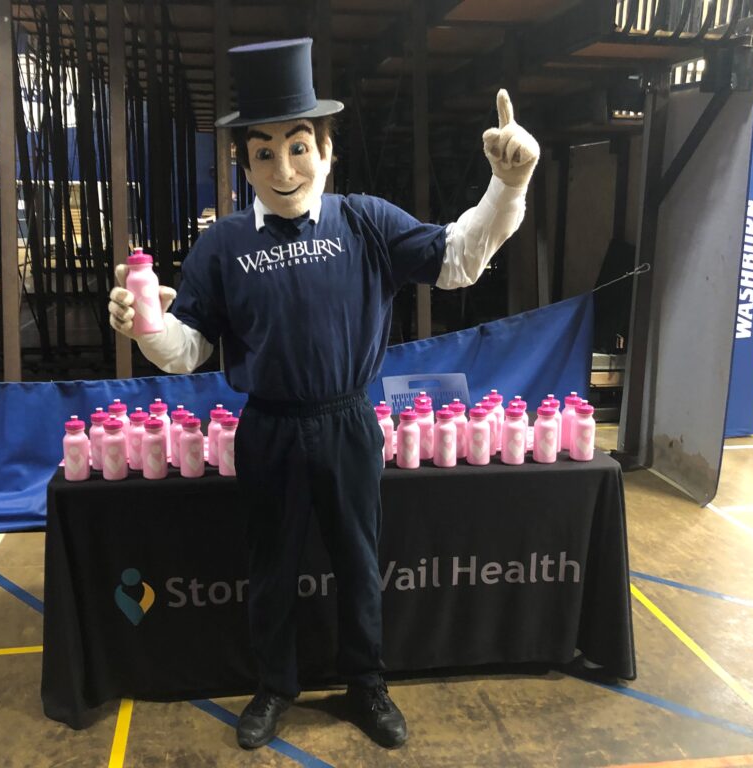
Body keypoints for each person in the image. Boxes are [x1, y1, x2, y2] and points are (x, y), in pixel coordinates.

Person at [108, 38, 538, 751]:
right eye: (265, 152)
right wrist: (146, 329)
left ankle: (366, 684)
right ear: (243, 162)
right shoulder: (221, 248)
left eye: (299, 146)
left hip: (346, 424)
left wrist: (507, 188)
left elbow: (459, 260)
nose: (284, 167)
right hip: (268, 428)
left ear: (327, 151)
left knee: (358, 563)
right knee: (271, 567)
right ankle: (275, 687)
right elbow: (189, 351)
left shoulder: (365, 221)